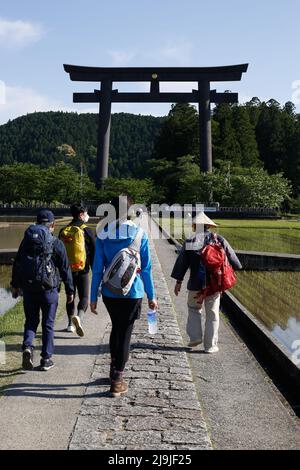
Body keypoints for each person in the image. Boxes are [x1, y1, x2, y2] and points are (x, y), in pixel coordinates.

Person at [90, 196, 158, 397]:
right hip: (132, 292)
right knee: (125, 333)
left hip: (110, 292)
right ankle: (118, 379)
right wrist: (151, 295)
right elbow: (146, 269)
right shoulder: (140, 234)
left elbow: (97, 268)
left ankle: (113, 369)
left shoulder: (103, 235)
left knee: (116, 328)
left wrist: (93, 296)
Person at [11, 210, 74, 371]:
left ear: (37, 222)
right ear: (52, 225)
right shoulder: (55, 242)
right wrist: (70, 290)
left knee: (31, 321)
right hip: (49, 290)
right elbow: (65, 268)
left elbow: (18, 262)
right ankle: (46, 359)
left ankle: (28, 347)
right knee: (48, 324)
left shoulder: (27, 241)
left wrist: (15, 285)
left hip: (29, 289)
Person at [171, 212, 242, 353]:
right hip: (214, 284)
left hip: (195, 284)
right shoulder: (219, 239)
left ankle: (195, 337)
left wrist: (179, 281)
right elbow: (235, 261)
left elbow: (182, 263)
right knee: (213, 314)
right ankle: (210, 346)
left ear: (195, 226)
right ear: (209, 226)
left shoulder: (190, 241)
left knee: (193, 309)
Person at [59, 204, 95, 337]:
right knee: (84, 296)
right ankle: (79, 317)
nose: (87, 215)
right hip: (83, 269)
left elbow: (58, 252)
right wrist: (95, 270)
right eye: (86, 212)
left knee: (70, 295)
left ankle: (69, 324)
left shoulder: (64, 230)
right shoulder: (87, 230)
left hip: (67, 270)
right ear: (81, 214)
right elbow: (94, 252)